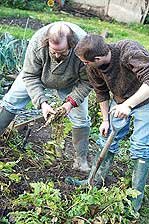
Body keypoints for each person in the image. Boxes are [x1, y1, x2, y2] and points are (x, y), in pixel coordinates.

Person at [69, 34, 149, 213]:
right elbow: (101, 92)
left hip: (146, 101)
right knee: (106, 139)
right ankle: (94, 180)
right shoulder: (93, 67)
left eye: (85, 62)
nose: (84, 65)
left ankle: (135, 199)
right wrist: (105, 120)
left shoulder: (129, 51)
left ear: (96, 58)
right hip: (120, 101)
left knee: (140, 146)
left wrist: (129, 105)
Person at [0, 22, 93, 172]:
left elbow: (88, 81)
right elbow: (29, 75)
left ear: (72, 45)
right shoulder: (37, 43)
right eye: (53, 51)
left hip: (71, 81)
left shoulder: (84, 47)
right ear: (47, 43)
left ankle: (80, 161)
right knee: (10, 103)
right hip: (37, 76)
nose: (57, 56)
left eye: (62, 52)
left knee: (81, 120)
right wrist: (42, 103)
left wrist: (70, 103)